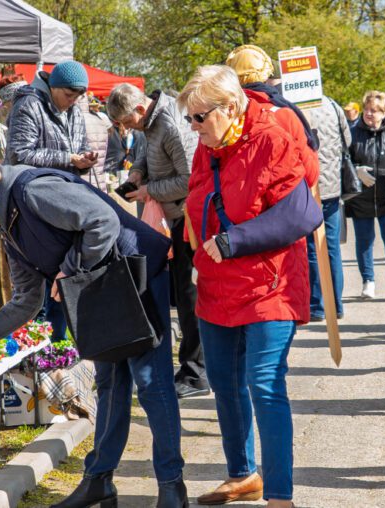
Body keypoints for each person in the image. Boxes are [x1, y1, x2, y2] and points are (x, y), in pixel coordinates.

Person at [0, 149, 186, 508]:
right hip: (102, 288)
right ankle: (98, 481)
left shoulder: (32, 190)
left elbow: (102, 220)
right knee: (110, 384)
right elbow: (27, 299)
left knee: (152, 383)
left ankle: (171, 486)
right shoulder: (7, 229)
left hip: (136, 276)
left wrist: (71, 269)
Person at [182, 65, 321, 508]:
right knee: (223, 382)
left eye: (199, 117)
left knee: (264, 384)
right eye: (189, 118)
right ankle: (243, 474)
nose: (193, 126)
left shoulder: (273, 137)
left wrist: (234, 240)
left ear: (230, 107)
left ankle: (280, 496)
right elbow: (197, 200)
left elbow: (300, 213)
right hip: (217, 283)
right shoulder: (207, 146)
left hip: (270, 284)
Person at [106, 83, 208, 399]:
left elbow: (189, 179)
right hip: (174, 217)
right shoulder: (151, 122)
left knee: (189, 296)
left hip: (187, 218)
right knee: (183, 294)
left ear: (140, 108)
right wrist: (138, 172)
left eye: (127, 122)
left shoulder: (170, 124)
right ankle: (192, 366)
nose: (126, 129)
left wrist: (149, 191)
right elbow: (150, 155)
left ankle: (196, 373)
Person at [6, 60, 96, 342]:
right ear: (53, 87)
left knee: (62, 281)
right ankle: (38, 347)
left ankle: (56, 348)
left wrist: (84, 159)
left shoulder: (74, 109)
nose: (73, 101)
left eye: (78, 96)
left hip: (64, 204)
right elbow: (20, 154)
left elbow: (78, 147)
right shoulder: (29, 105)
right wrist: (68, 158)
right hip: (33, 207)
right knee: (40, 287)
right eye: (69, 95)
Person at [347, 90, 385, 299]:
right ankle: (368, 281)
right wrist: (356, 171)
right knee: (364, 242)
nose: (369, 114)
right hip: (361, 198)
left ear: (384, 112)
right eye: (367, 109)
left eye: (375, 110)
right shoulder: (353, 133)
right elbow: (344, 160)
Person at [301, 97, 351, 321]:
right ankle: (336, 304)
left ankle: (318, 305)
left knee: (313, 248)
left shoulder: (293, 103)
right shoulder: (332, 105)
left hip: (308, 185)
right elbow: (347, 139)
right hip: (332, 185)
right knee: (331, 247)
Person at [83, 93, 113, 190]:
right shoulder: (101, 118)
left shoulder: (77, 118)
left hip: (83, 174)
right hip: (99, 171)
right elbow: (110, 132)